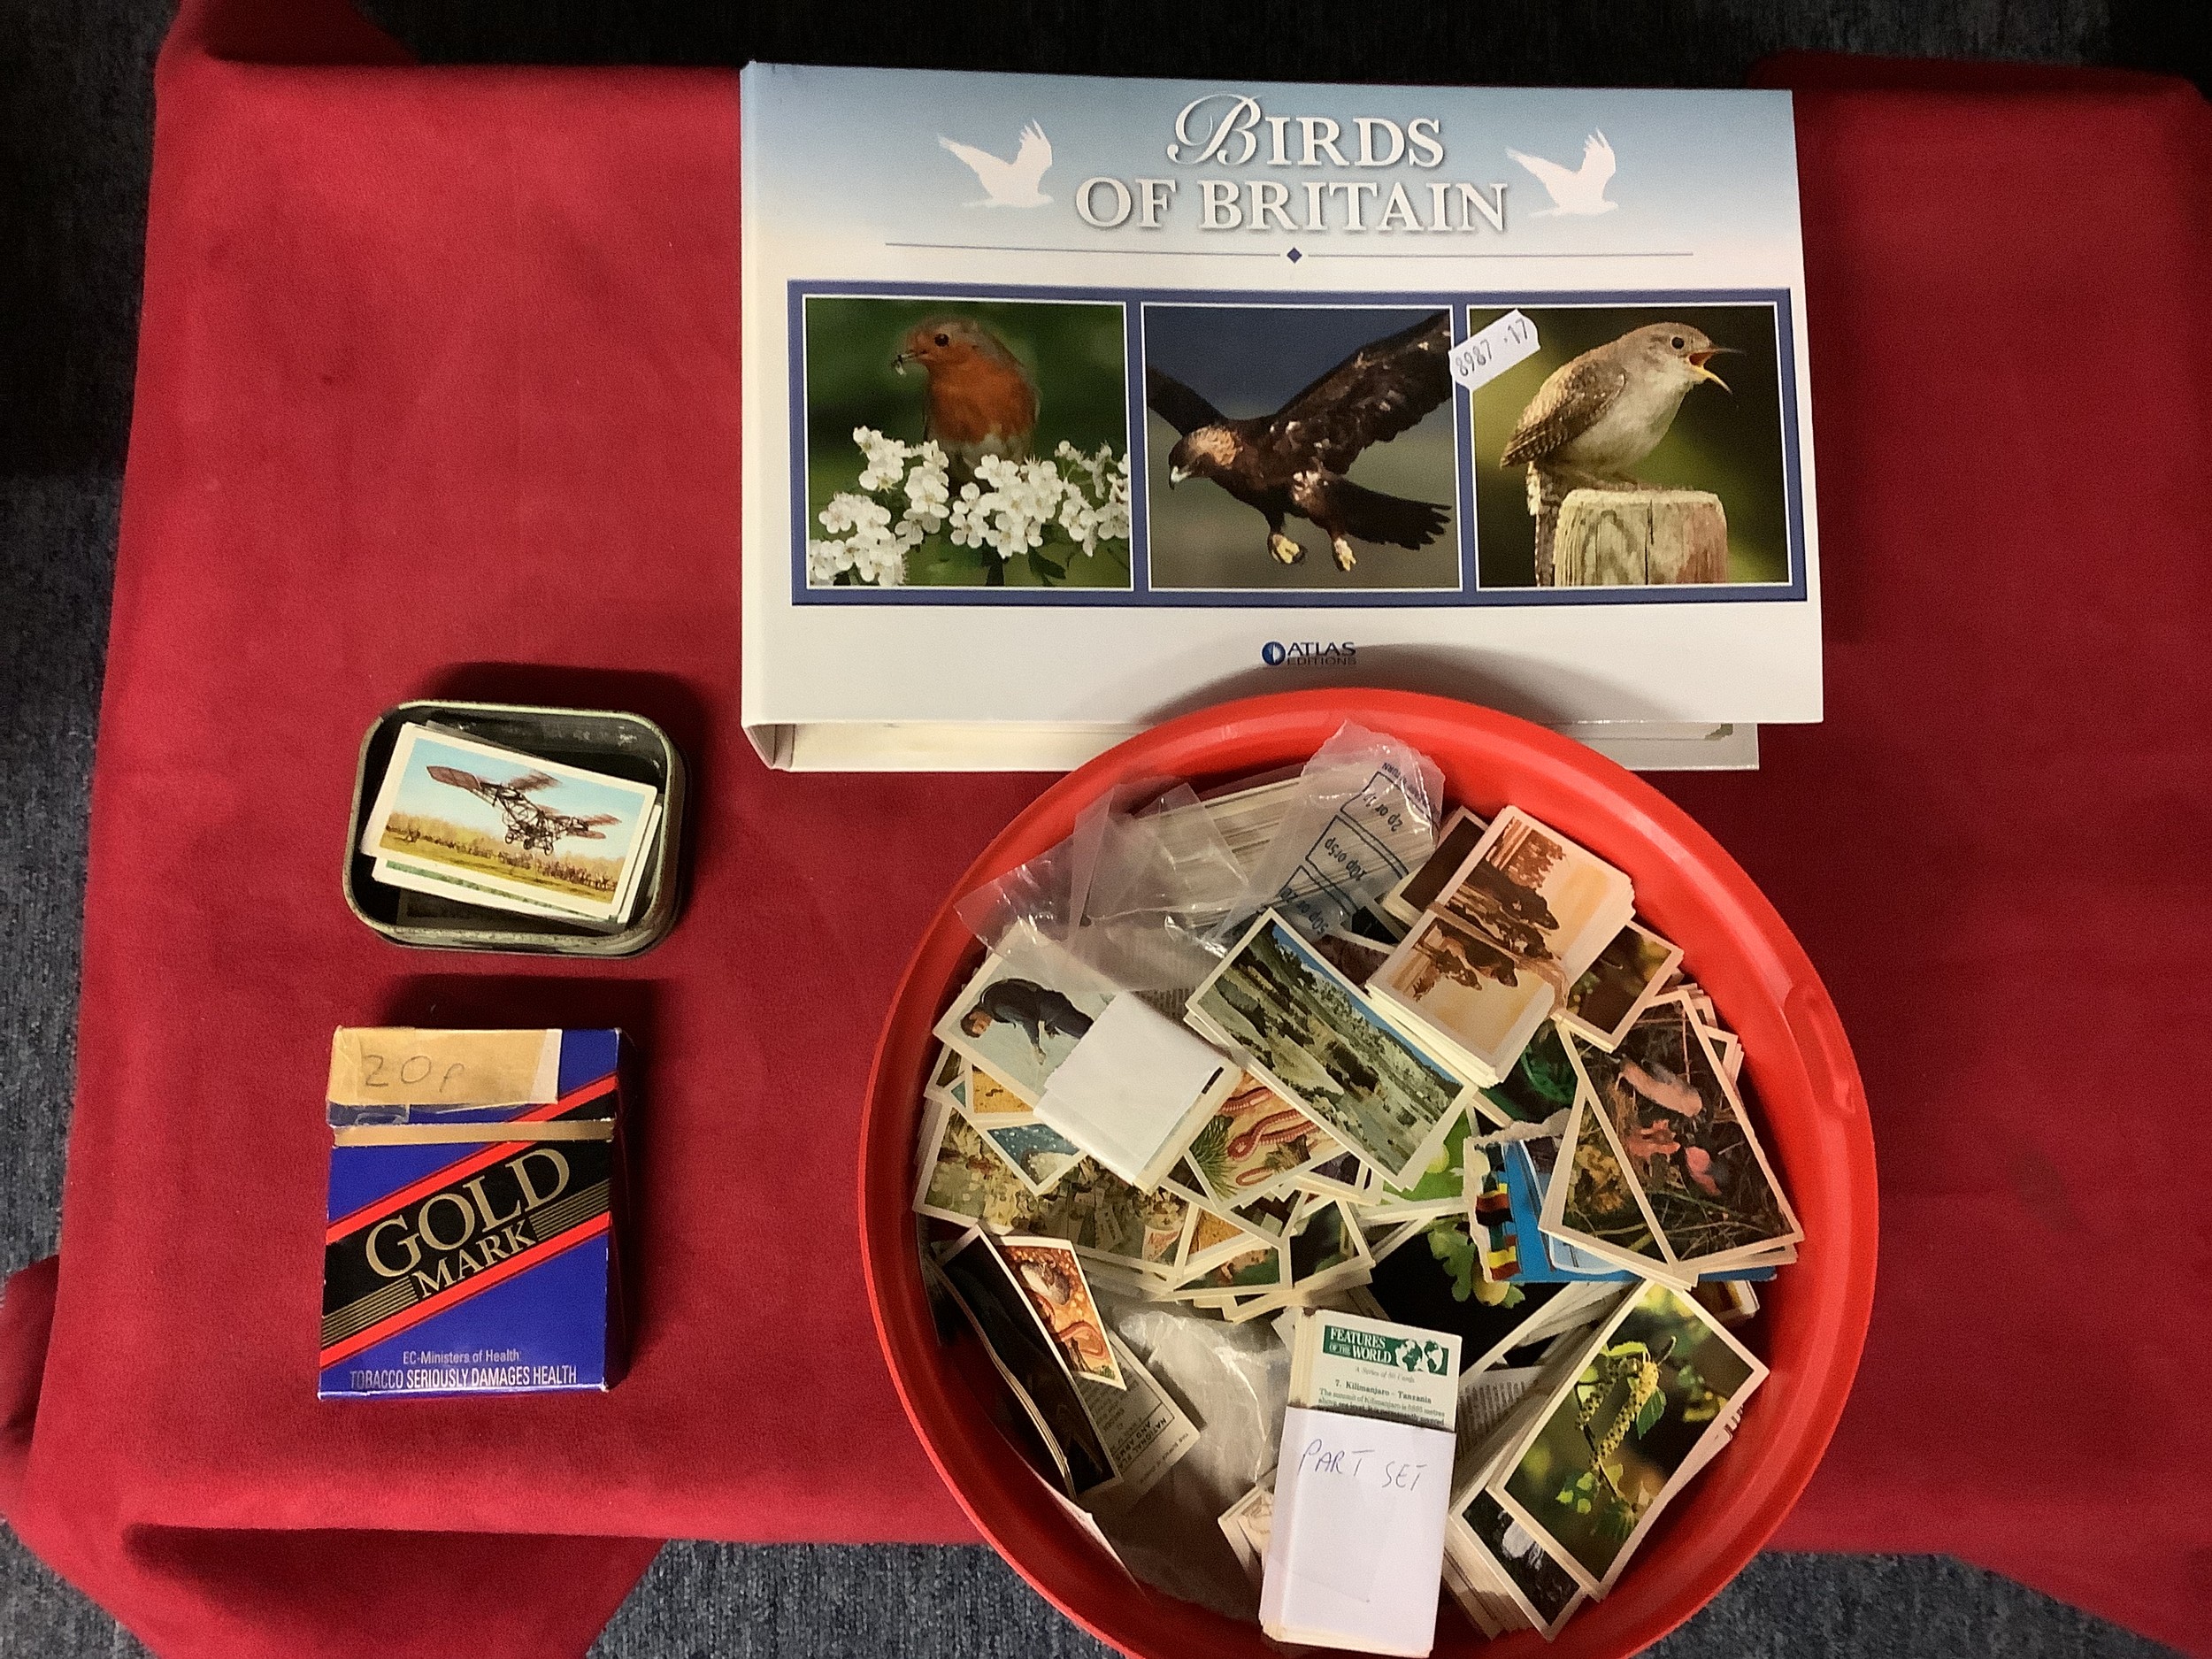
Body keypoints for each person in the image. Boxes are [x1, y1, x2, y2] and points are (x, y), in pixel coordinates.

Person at [960, 977, 1094, 1056]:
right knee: (1091, 1031)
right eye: (985, 1029)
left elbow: (1027, 1019)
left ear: (973, 1016)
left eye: (981, 1025)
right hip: (1053, 1004)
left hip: (1054, 1013)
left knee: (1091, 1034)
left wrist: (1035, 1045)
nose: (987, 1025)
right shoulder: (989, 995)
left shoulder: (996, 1007)